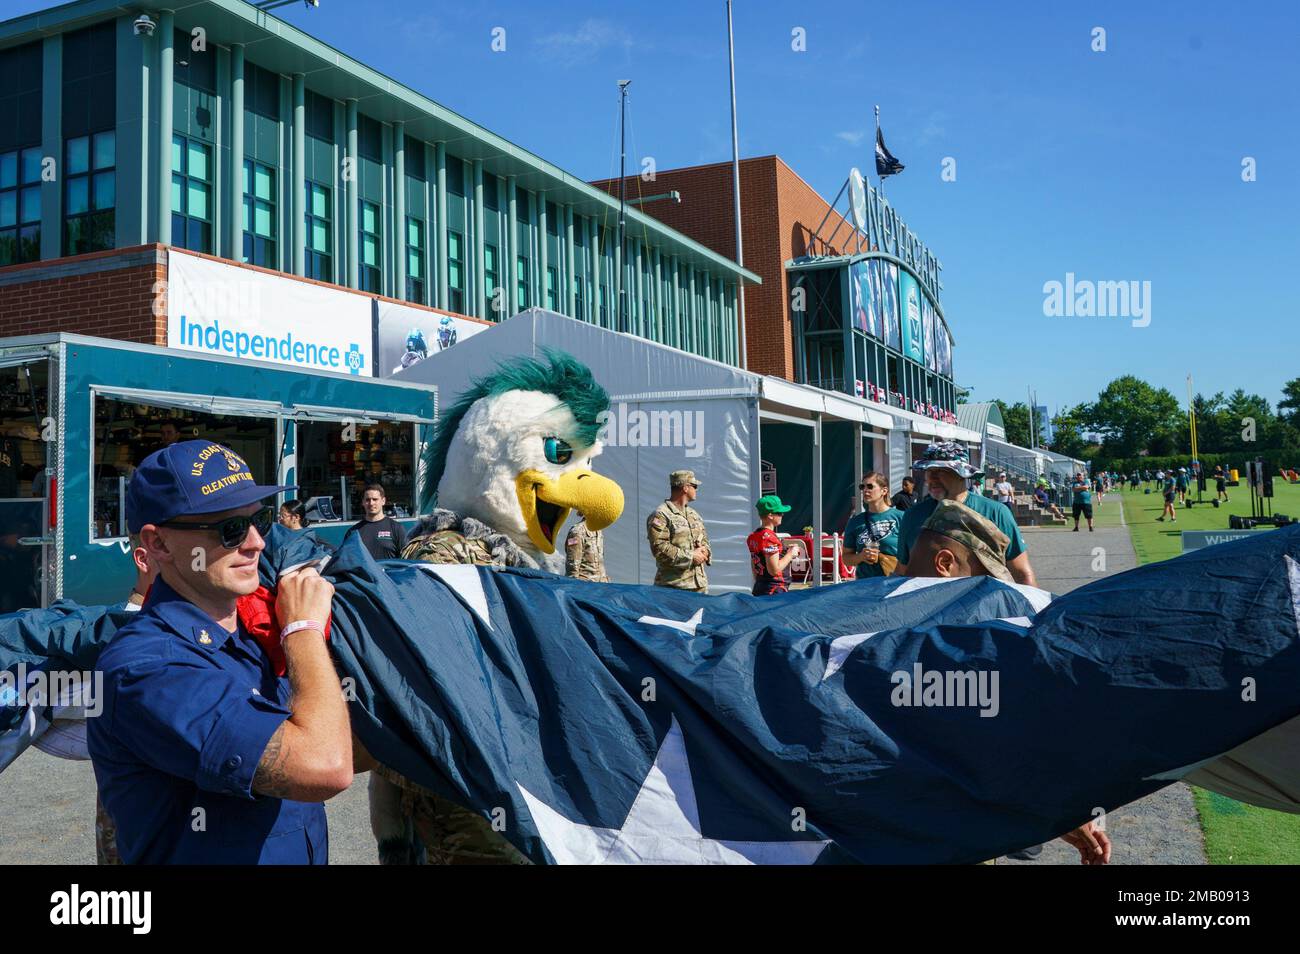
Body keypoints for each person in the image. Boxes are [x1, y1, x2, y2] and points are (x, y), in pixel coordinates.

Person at [87, 440, 363, 864]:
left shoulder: (254, 637)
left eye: (261, 521)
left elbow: (340, 743)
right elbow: (325, 765)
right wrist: (304, 629)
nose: (255, 543)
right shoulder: (146, 666)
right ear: (158, 544)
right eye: (229, 529)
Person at [903, 500, 1112, 866]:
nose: (988, 596)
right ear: (945, 564)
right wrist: (1057, 813)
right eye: (983, 580)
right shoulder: (951, 644)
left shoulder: (865, 617)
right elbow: (987, 752)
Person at [892, 442, 1036, 586]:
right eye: (929, 471)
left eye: (941, 471)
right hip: (929, 605)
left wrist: (1033, 607)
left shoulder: (996, 513)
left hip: (984, 603)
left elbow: (1021, 573)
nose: (932, 478)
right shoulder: (912, 516)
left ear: (962, 474)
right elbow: (902, 571)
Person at [647, 470, 711, 593]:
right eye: (694, 486)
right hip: (673, 588)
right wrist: (691, 556)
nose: (696, 490)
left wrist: (705, 551)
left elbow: (704, 539)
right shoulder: (661, 515)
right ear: (686, 488)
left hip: (699, 586)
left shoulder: (694, 515)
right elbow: (659, 549)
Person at [842, 472, 902, 578]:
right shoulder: (855, 522)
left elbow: (913, 552)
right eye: (862, 487)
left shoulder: (901, 517)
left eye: (870, 486)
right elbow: (846, 558)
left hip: (893, 582)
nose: (865, 490)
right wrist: (861, 557)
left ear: (884, 490)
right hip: (865, 585)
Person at [747, 495, 798, 596]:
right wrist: (790, 554)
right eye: (779, 513)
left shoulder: (753, 536)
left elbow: (754, 566)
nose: (782, 515)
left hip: (760, 586)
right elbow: (774, 570)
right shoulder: (769, 538)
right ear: (770, 515)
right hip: (774, 589)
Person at [344, 483, 407, 560]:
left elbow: (406, 560)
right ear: (363, 502)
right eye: (367, 500)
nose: (371, 503)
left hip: (388, 572)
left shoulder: (396, 528)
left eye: (375, 499)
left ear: (383, 501)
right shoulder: (353, 532)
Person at [564, 511, 609, 582]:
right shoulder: (576, 532)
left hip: (601, 586)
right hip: (585, 586)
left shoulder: (598, 530)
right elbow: (572, 565)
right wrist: (573, 587)